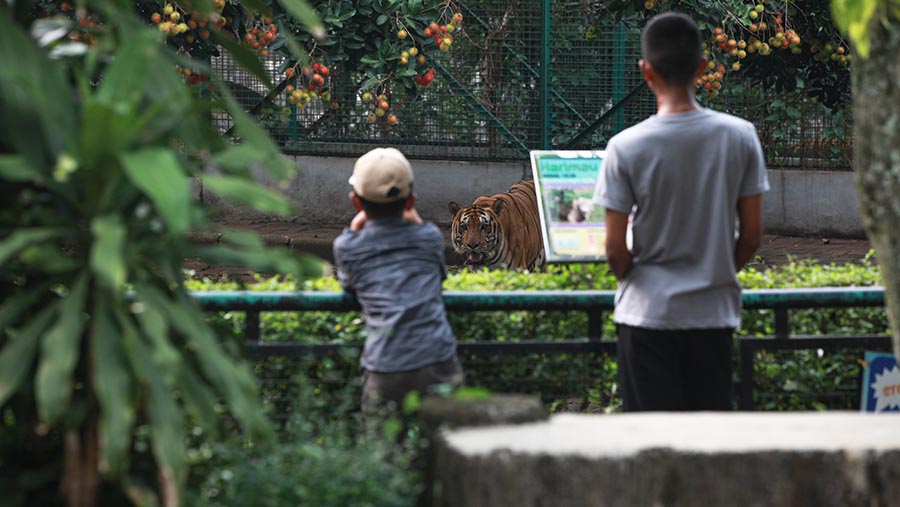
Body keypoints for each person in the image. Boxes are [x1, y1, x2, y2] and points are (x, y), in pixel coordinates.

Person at [593, 12, 770, 411]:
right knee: (707, 449)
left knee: (652, 448)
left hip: (646, 319)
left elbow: (615, 250)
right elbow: (754, 235)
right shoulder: (740, 136)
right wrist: (712, 272)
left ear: (645, 71)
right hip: (713, 319)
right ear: (703, 67)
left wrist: (641, 280)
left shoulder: (625, 146)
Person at [333, 147, 463, 415]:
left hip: (384, 365)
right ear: (411, 201)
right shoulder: (429, 238)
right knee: (449, 449)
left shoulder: (347, 247)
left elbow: (349, 285)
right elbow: (438, 277)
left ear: (356, 203)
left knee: (385, 452)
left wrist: (358, 224)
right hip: (437, 361)